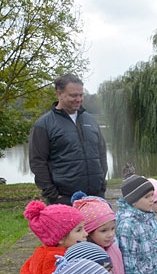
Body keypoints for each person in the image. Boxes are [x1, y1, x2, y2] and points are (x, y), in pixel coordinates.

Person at [28, 73, 108, 205]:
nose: (78, 99)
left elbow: (101, 153)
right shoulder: (44, 125)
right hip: (64, 200)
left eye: (81, 95)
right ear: (59, 94)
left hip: (96, 197)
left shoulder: (90, 120)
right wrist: (53, 195)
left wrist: (101, 184)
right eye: (73, 95)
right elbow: (37, 162)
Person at [71, 193, 135, 274]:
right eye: (104, 231)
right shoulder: (88, 257)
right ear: (89, 231)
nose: (110, 234)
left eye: (112, 229)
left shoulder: (114, 248)